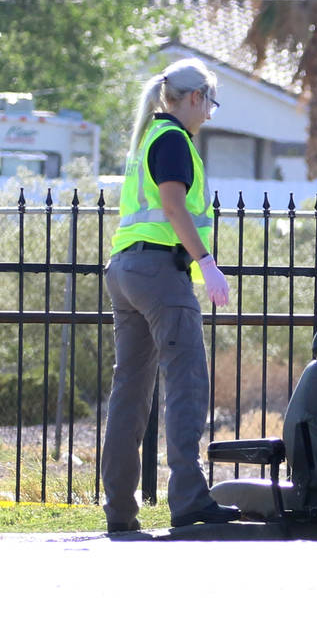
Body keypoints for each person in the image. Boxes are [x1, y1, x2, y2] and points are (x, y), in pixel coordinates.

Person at [101, 57, 240, 533]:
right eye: (211, 103)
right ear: (195, 97)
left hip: (124, 269)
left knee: (130, 393)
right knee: (186, 385)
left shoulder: (148, 139)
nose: (209, 113)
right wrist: (206, 262)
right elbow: (174, 206)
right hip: (160, 273)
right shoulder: (175, 140)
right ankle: (188, 500)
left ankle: (120, 511)